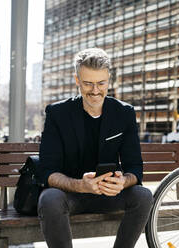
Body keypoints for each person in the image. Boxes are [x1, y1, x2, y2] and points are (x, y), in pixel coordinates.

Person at [36, 48, 153, 248]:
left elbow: (135, 167)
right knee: (49, 198)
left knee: (143, 196)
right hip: (70, 194)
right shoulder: (58, 113)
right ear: (77, 80)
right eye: (88, 83)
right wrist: (79, 185)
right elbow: (47, 171)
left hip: (109, 195)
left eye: (101, 83)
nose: (95, 90)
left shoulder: (124, 113)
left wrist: (123, 181)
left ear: (109, 80)